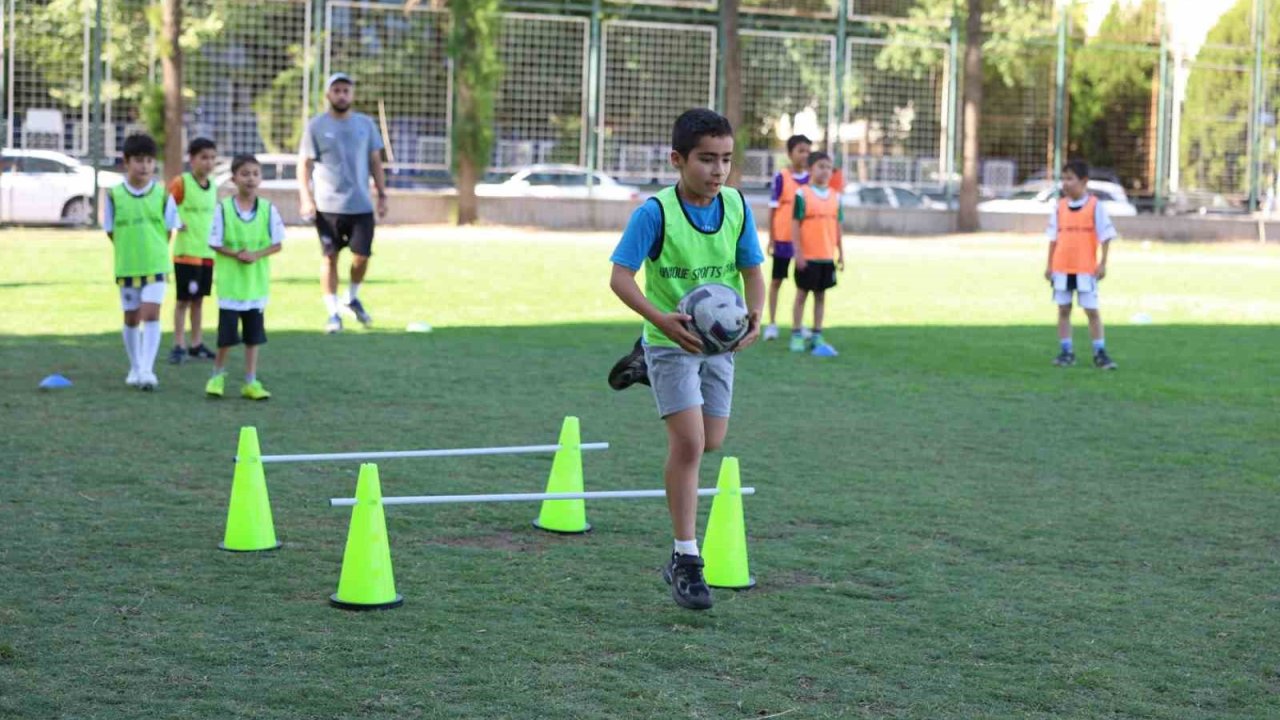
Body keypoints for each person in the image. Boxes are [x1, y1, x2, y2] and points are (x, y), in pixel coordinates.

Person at [608, 108, 765, 610]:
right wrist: (660, 320)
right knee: (691, 445)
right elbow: (620, 278)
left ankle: (645, 374)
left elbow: (753, 271)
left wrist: (756, 315)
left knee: (713, 440)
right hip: (669, 340)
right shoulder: (654, 213)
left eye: (726, 160)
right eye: (705, 160)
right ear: (678, 160)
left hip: (718, 343)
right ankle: (684, 557)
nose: (717, 171)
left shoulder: (738, 207)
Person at [298, 72, 388, 334]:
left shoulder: (365, 124)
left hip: (361, 205)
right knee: (330, 258)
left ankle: (351, 297)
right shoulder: (316, 126)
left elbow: (375, 161)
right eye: (336, 90)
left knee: (361, 257)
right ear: (328, 94)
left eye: (346, 90)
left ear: (352, 94)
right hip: (327, 208)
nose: (341, 95)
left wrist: (382, 194)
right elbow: (304, 164)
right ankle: (333, 313)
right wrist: (306, 197)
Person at [205, 155, 286, 400]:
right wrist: (237, 254)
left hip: (255, 288)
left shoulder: (268, 209)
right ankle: (217, 376)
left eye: (255, 173)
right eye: (245, 174)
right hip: (231, 288)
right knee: (226, 338)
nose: (250, 179)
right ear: (234, 179)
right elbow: (214, 242)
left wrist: (257, 254)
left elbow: (277, 243)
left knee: (253, 338)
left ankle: (250, 381)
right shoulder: (224, 209)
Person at [105, 133, 181, 391]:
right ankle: (135, 367)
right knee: (131, 317)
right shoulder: (114, 196)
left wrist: (155, 250)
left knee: (151, 312)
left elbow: (170, 229)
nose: (145, 166)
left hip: (156, 266)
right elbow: (110, 230)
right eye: (139, 160)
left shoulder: (162, 196)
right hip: (127, 266)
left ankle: (148, 369)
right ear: (126, 162)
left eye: (149, 161)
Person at [1046, 159, 1117, 370]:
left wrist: (1103, 263)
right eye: (1063, 179)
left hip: (1085, 269)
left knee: (1091, 311)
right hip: (1062, 268)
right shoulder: (1059, 207)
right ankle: (1066, 351)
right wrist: (1049, 265)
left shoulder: (1095, 206)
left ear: (1083, 181)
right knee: (1063, 310)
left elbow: (1106, 236)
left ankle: (1099, 352)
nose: (1065, 184)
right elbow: (1052, 238)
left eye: (1070, 179)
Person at [167, 137, 220, 364]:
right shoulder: (182, 183)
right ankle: (178, 344)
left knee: (199, 300)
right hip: (186, 253)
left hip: (207, 254)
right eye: (203, 158)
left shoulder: (214, 186)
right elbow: (166, 207)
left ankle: (196, 343)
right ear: (192, 159)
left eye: (212, 158)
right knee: (183, 300)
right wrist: (176, 222)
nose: (208, 163)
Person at [789, 151, 845, 353]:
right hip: (808, 257)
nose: (825, 171)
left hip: (827, 257)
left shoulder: (836, 197)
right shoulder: (802, 194)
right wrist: (798, 253)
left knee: (821, 296)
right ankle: (796, 334)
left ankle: (817, 335)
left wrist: (841, 253)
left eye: (828, 167)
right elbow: (795, 225)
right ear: (810, 169)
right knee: (802, 295)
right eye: (821, 166)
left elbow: (838, 226)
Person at [764, 134, 812, 341]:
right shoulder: (781, 177)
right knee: (776, 281)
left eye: (808, 151)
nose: (805, 155)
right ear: (790, 153)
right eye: (800, 150)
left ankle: (798, 324)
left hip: (805, 241)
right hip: (783, 238)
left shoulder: (813, 178)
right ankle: (772, 323)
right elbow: (773, 209)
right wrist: (772, 237)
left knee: (803, 286)